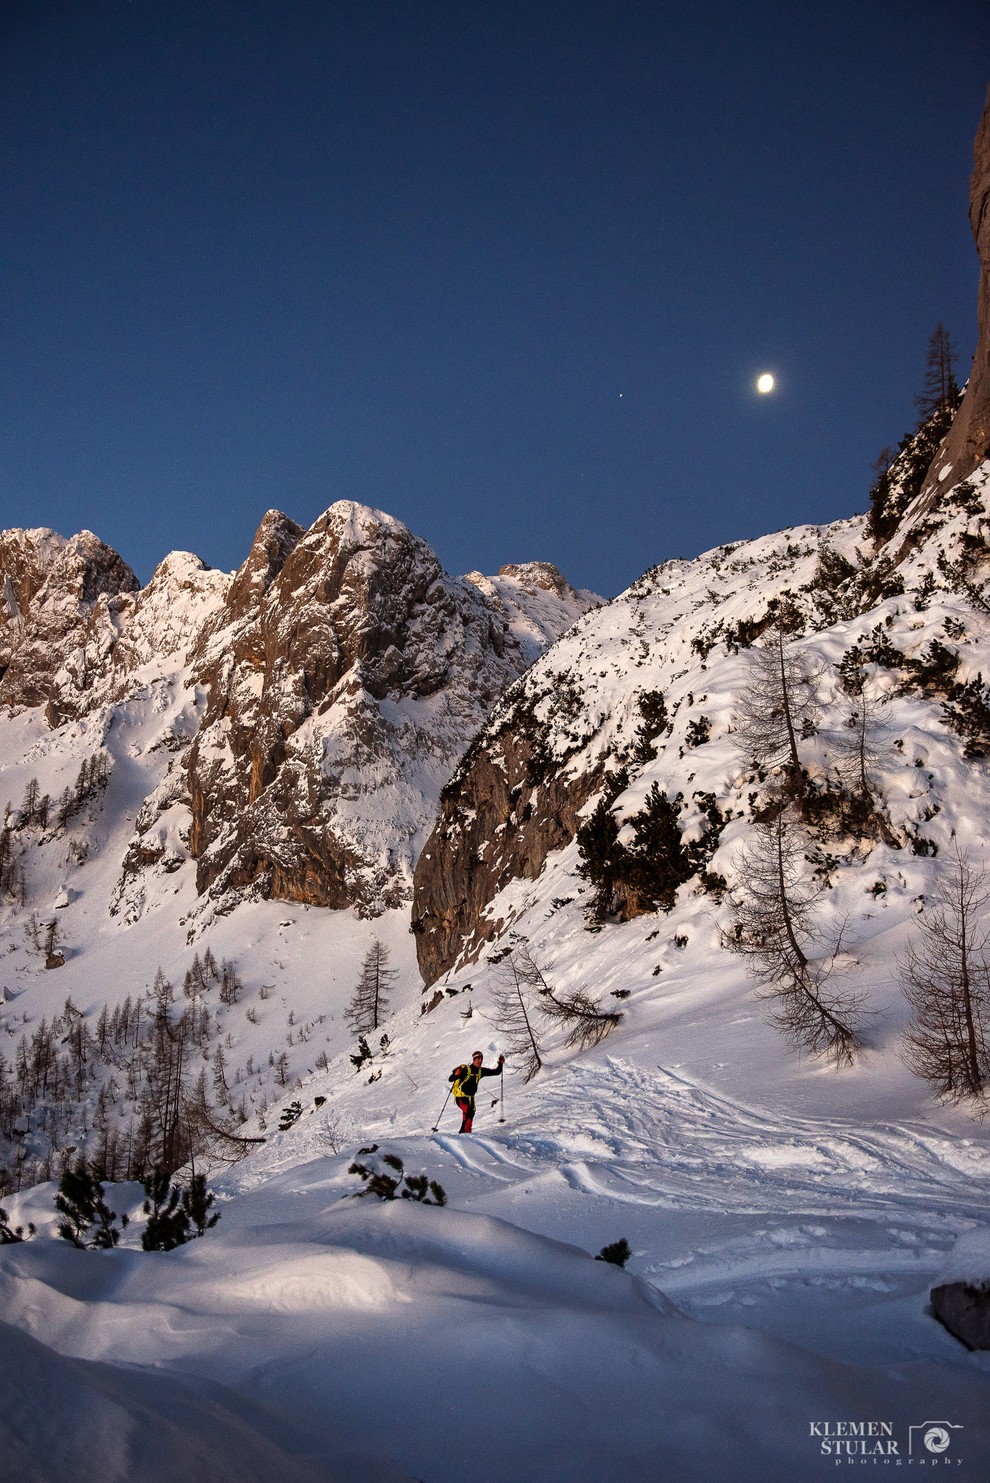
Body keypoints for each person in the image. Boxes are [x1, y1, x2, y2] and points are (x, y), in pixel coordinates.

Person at [448, 1050, 505, 1133]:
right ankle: (467, 1133)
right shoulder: (466, 1070)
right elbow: (450, 1079)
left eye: (481, 1059)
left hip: (470, 1099)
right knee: (470, 1112)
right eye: (478, 1059)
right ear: (474, 1060)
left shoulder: (480, 1071)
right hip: (460, 1098)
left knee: (467, 1116)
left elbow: (497, 1072)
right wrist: (455, 1074)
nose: (480, 1061)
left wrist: (500, 1064)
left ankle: (462, 1134)